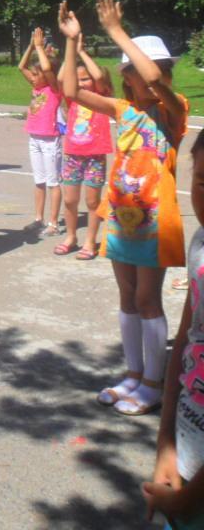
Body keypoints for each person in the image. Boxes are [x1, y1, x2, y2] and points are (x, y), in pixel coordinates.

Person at [58, 0, 187, 416]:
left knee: (148, 299)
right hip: (121, 217)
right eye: (134, 70)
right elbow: (70, 90)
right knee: (127, 297)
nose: (146, 76)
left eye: (155, 68)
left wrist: (115, 30)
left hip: (155, 221)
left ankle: (154, 382)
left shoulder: (174, 110)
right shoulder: (122, 109)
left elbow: (155, 79)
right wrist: (72, 41)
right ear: (126, 77)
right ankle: (133, 374)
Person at [142, 131, 204, 527]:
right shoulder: (201, 243)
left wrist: (186, 502)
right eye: (202, 182)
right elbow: (184, 340)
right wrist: (165, 443)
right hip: (184, 446)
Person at [55, 32, 113, 259]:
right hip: (73, 155)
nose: (81, 83)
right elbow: (62, 79)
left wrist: (81, 51)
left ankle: (90, 241)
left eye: (85, 79)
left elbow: (98, 75)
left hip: (95, 156)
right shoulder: (72, 97)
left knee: (92, 201)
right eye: (77, 79)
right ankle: (71, 237)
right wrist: (70, 53)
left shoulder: (101, 96)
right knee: (70, 200)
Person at [19, 27, 63, 236]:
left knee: (53, 182)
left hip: (50, 140)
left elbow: (46, 68)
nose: (33, 77)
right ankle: (39, 218)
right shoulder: (37, 87)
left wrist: (39, 47)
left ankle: (53, 223)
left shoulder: (54, 89)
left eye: (37, 75)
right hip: (34, 138)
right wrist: (30, 46)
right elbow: (21, 66)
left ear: (48, 75)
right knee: (39, 181)